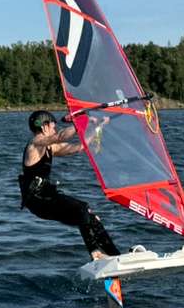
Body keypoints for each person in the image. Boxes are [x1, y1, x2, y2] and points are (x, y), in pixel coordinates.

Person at [18, 109, 120, 260]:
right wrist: (81, 120)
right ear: (44, 127)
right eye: (53, 127)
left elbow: (80, 147)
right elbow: (60, 136)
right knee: (81, 208)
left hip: (47, 198)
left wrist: (97, 127)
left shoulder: (50, 147)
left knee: (90, 217)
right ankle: (95, 253)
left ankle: (114, 255)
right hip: (38, 200)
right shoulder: (35, 144)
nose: (55, 129)